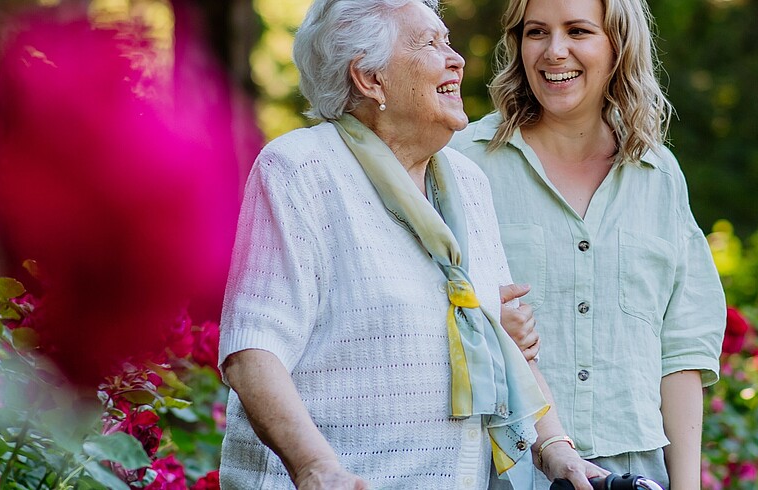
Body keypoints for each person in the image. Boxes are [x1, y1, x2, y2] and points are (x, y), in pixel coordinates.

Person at [215, 0, 594, 488]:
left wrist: (556, 450)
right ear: (370, 79)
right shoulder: (301, 169)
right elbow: (253, 351)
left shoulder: (467, 183)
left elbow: (504, 343)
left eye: (449, 41)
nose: (455, 58)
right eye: (430, 44)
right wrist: (316, 468)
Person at [449, 0, 726, 487]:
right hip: (505, 469)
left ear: (618, 45)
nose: (555, 51)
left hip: (635, 470)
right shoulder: (463, 164)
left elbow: (681, 352)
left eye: (578, 31)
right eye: (536, 32)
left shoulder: (658, 176)